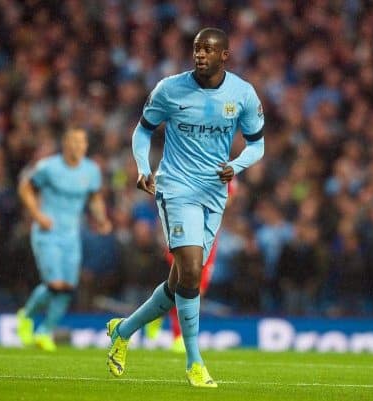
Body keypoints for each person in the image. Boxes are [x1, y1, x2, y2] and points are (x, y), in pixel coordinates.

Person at [106, 28, 265, 388]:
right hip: (176, 187)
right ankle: (195, 362)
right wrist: (143, 167)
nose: (200, 54)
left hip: (214, 194)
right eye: (196, 48)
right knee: (192, 270)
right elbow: (142, 131)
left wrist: (237, 165)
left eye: (208, 49)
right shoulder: (169, 89)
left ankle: (123, 329)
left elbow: (258, 145)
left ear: (225, 55)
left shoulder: (242, 94)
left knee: (181, 281)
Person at [16, 128, 112, 351]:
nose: (79, 147)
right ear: (65, 144)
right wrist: (38, 215)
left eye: (83, 143)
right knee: (55, 284)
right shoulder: (48, 167)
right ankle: (26, 315)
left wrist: (101, 218)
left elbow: (95, 198)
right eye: (75, 142)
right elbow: (25, 189)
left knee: (67, 288)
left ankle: (44, 332)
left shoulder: (91, 170)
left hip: (71, 236)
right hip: (48, 233)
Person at [145, 179, 237, 353]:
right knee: (184, 283)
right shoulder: (186, 161)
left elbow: (228, 199)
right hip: (183, 228)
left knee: (197, 290)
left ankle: (156, 314)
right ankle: (178, 336)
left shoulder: (225, 170)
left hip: (208, 234)